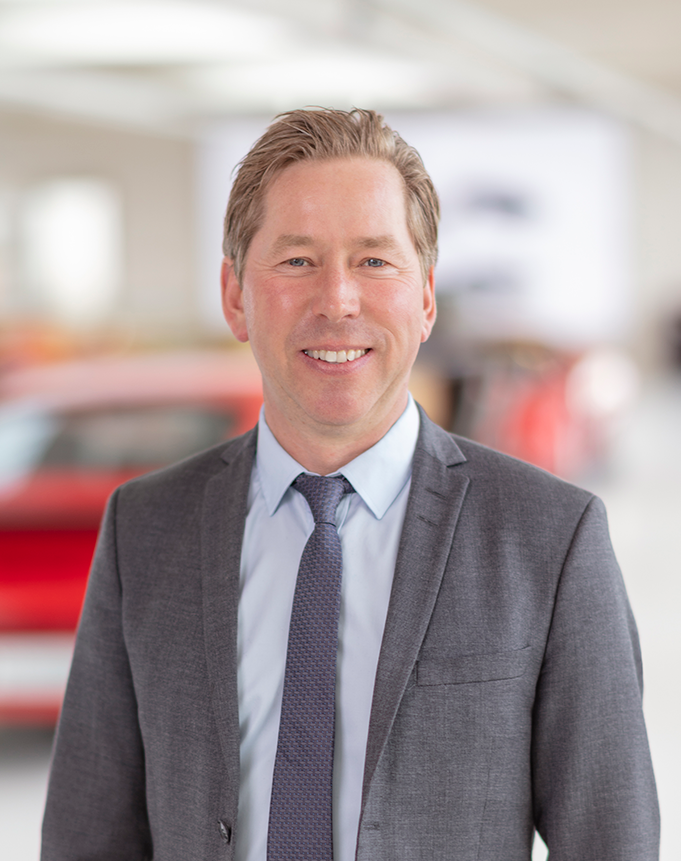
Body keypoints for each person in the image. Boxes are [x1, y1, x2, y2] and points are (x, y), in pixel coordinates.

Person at [42, 108, 659, 861]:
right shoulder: (145, 527)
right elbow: (87, 835)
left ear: (425, 297)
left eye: (373, 260)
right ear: (235, 296)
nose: (337, 299)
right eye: (298, 260)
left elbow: (611, 840)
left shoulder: (551, 538)